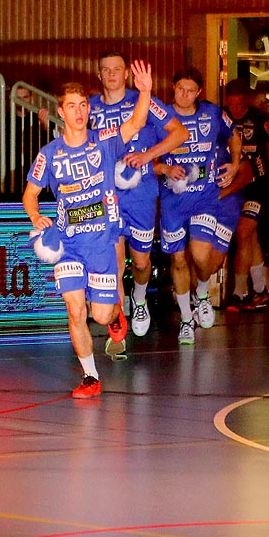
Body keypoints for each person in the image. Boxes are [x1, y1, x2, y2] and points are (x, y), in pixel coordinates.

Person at [23, 65, 154, 397]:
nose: (79, 112)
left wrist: (145, 91)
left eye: (83, 105)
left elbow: (137, 122)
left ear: (88, 109)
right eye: (72, 106)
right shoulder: (49, 154)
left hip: (101, 242)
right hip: (68, 242)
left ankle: (114, 314)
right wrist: (36, 216)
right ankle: (91, 378)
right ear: (60, 111)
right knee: (75, 310)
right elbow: (30, 194)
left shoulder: (104, 143)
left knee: (99, 314)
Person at [83, 51, 187, 345]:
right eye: (106, 70)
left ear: (126, 74)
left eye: (117, 69)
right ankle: (118, 317)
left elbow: (179, 133)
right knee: (114, 260)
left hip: (141, 195)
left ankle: (138, 298)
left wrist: (147, 156)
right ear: (99, 75)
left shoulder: (142, 101)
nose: (112, 74)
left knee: (140, 263)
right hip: (108, 195)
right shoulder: (90, 108)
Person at [158, 68, 244, 345]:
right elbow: (148, 157)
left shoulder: (212, 112)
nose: (185, 95)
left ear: (199, 93)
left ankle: (203, 293)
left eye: (190, 90)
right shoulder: (160, 117)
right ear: (173, 88)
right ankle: (186, 319)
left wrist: (236, 162)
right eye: (180, 89)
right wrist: (164, 168)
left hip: (205, 197)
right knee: (179, 260)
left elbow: (233, 136)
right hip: (173, 200)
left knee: (200, 256)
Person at [222, 78, 269, 311]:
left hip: (259, 185)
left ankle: (239, 292)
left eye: (239, 104)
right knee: (250, 236)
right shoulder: (222, 118)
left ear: (246, 100)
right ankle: (260, 291)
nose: (235, 109)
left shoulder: (260, 120)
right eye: (232, 104)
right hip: (235, 185)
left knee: (244, 231)